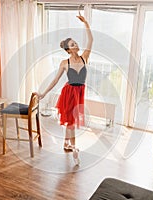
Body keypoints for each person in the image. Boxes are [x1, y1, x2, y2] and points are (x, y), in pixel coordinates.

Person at [37, 12, 93, 165]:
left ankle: (66, 144)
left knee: (71, 121)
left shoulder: (84, 57)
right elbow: (55, 80)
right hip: (68, 93)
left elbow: (91, 40)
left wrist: (86, 23)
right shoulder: (64, 63)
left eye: (75, 43)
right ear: (68, 50)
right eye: (73, 45)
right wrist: (43, 94)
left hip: (79, 92)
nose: (76, 45)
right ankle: (74, 148)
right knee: (71, 122)